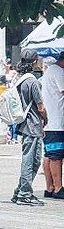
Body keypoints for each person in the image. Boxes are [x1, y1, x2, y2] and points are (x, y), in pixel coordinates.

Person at [11, 51, 46, 206]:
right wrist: (46, 118)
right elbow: (40, 106)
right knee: (30, 160)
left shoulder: (19, 80)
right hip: (33, 124)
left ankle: (20, 190)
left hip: (24, 124)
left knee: (34, 159)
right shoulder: (33, 82)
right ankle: (24, 194)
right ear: (33, 63)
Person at [39, 51, 64, 200]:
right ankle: (58, 188)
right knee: (56, 157)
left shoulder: (49, 71)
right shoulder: (58, 72)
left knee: (49, 155)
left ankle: (50, 187)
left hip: (50, 122)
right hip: (56, 122)